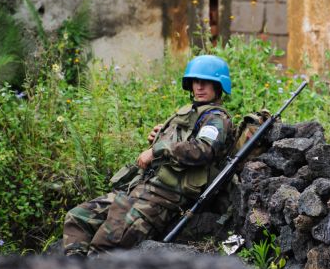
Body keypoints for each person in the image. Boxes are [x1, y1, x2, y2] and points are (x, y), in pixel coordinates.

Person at [62, 54, 234, 256]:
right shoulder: (190, 113)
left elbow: (203, 149)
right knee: (77, 217)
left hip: (162, 200)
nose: (199, 87)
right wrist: (159, 137)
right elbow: (178, 143)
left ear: (219, 85)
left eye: (206, 82)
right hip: (138, 189)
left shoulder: (217, 119)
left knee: (103, 247)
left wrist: (157, 150)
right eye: (196, 81)